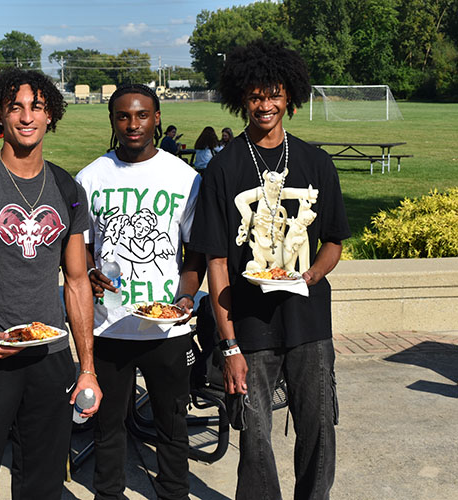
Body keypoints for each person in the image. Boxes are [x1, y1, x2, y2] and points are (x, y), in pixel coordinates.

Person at [188, 40, 350, 500]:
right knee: (255, 435)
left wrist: (308, 277)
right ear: (242, 98)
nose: (266, 104)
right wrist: (229, 344)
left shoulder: (316, 162)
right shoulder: (223, 169)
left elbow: (334, 241)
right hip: (251, 324)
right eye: (256, 95)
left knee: (319, 426)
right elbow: (216, 260)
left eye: (274, 94)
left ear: (290, 98)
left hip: (309, 320)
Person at [0, 68, 102, 500]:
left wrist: (87, 369)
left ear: (50, 117)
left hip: (49, 354)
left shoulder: (68, 189)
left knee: (44, 483)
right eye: (16, 108)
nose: (27, 117)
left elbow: (78, 282)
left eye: (37, 107)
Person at [76, 83, 204, 500]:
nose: (133, 124)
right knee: (107, 426)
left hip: (165, 327)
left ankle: (173, 492)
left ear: (157, 118)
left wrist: (185, 298)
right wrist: (91, 272)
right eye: (123, 116)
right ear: (112, 120)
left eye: (142, 115)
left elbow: (195, 254)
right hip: (109, 326)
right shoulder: (91, 177)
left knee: (171, 424)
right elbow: (84, 249)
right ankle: (107, 493)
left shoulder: (184, 178)